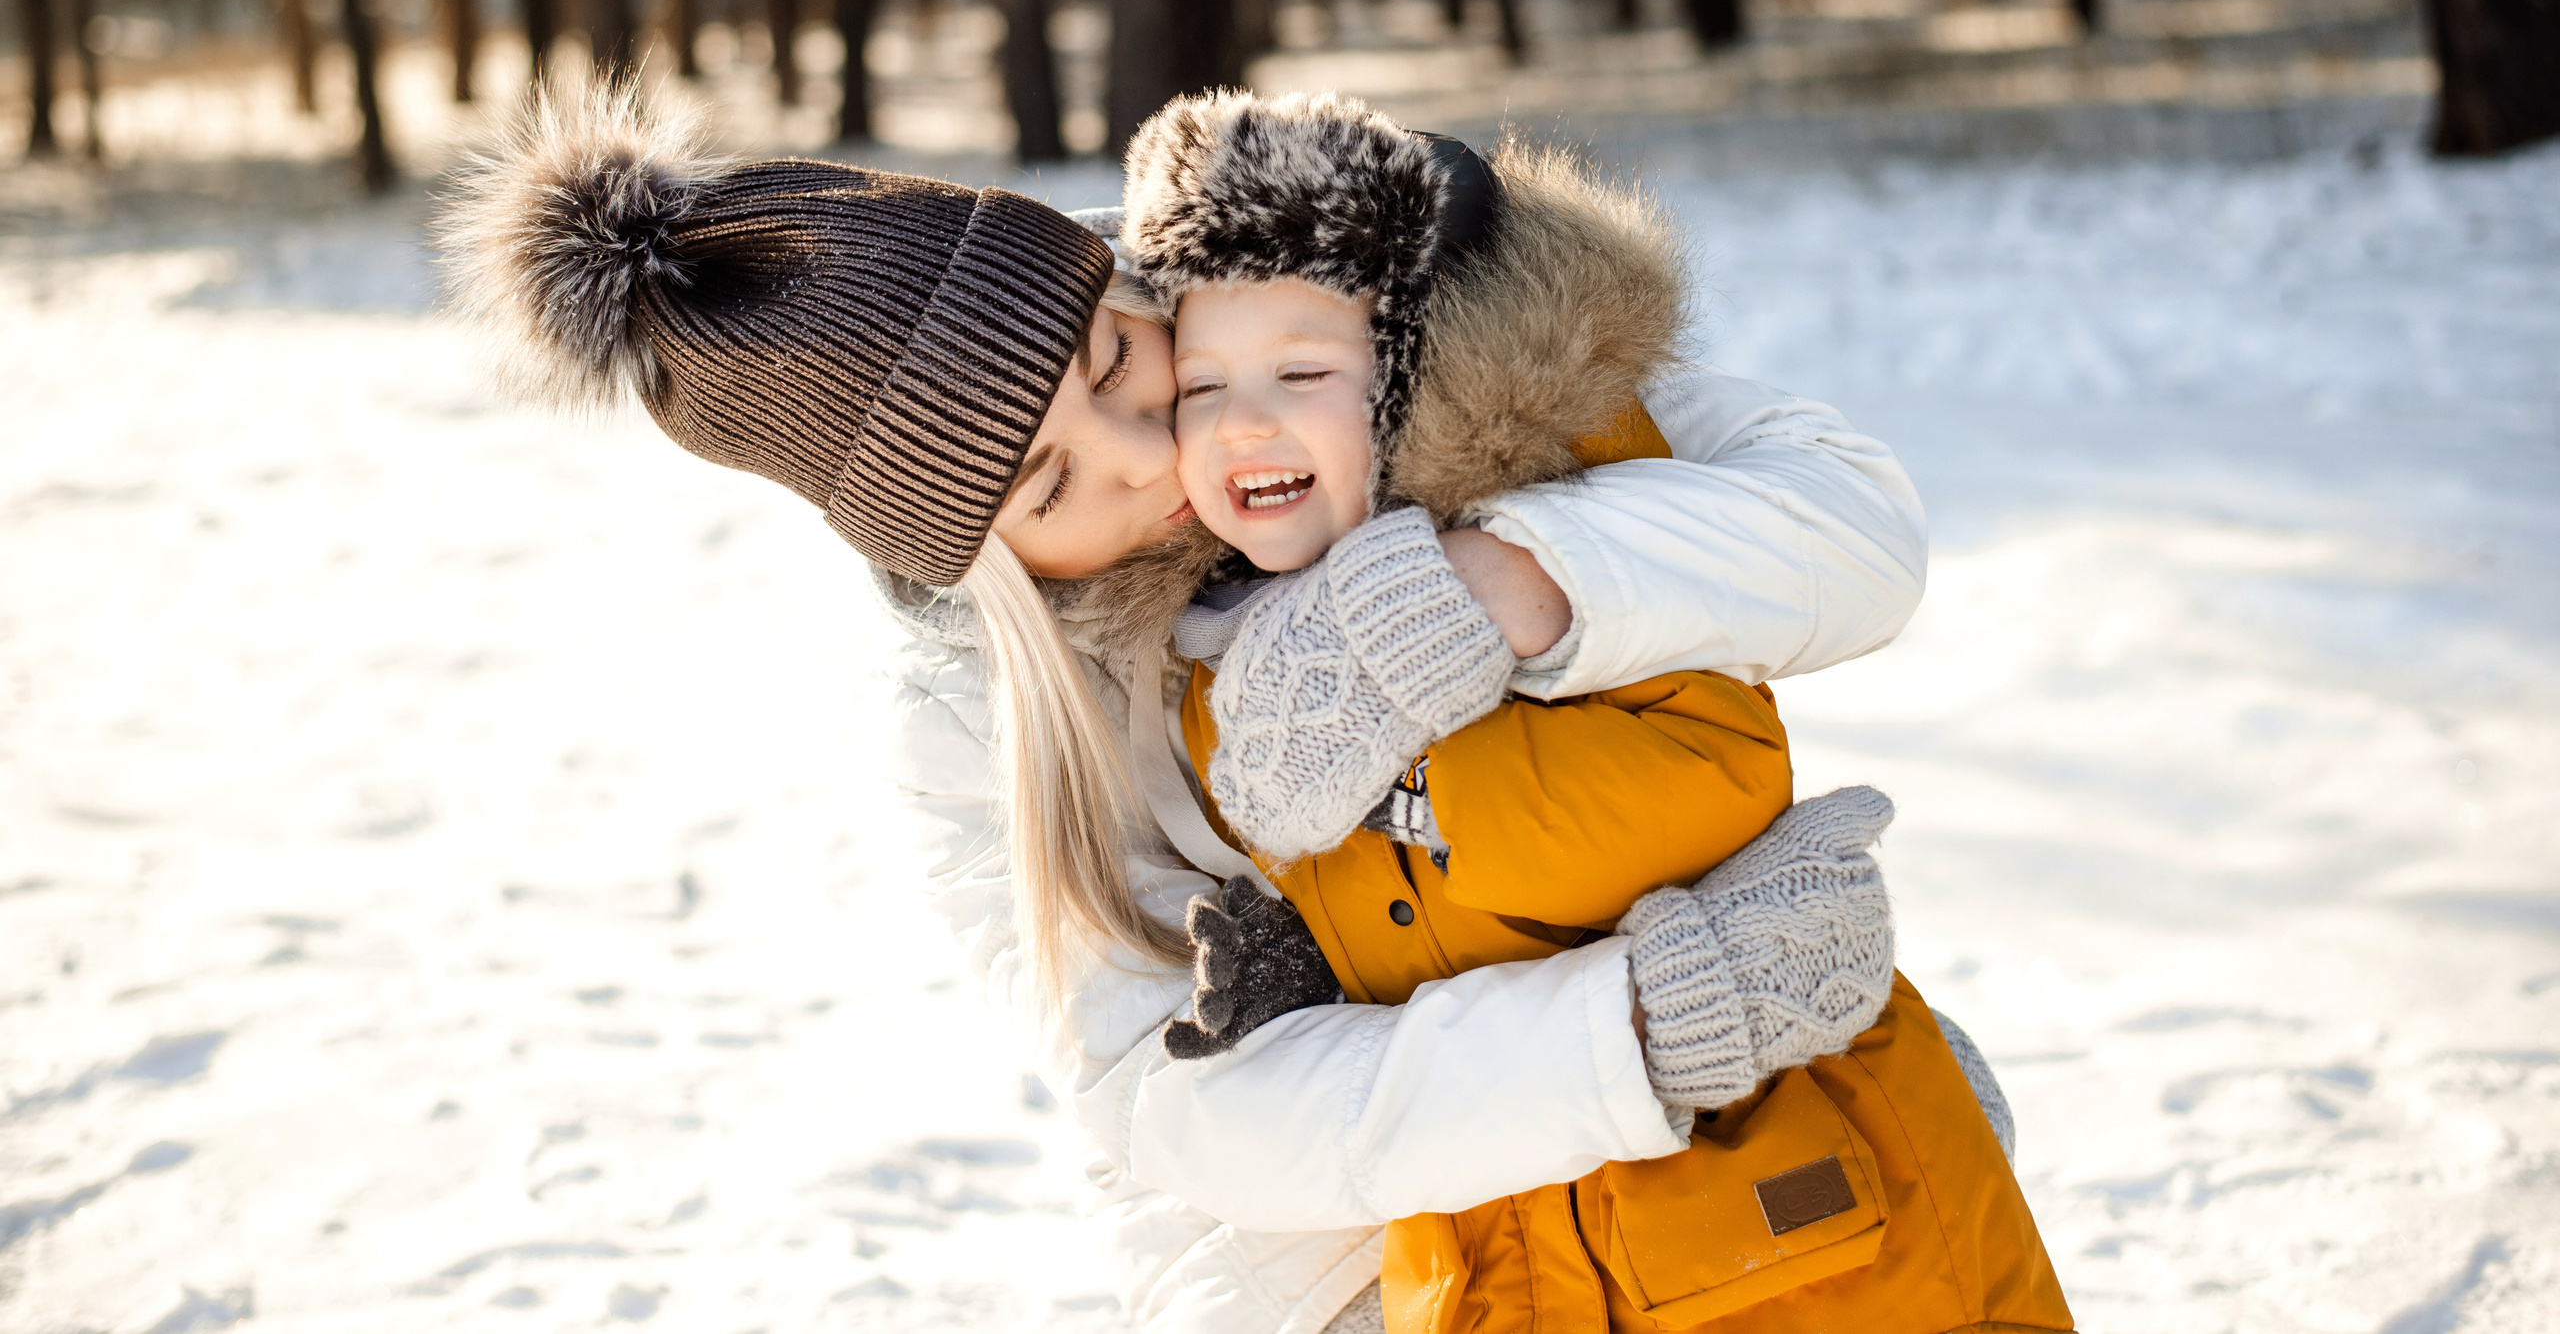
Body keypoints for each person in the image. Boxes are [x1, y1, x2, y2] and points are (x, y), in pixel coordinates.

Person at [439, 83, 1941, 1334]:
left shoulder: (1342, 347)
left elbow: (1854, 531)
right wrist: (1649, 1028)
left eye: (1109, 358)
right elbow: (1186, 1106)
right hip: (1343, 1288)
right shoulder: (991, 726)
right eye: (1049, 486)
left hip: (1747, 1205)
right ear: (983, 564)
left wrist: (1503, 581)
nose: (1148, 452)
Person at [1118, 89, 2072, 1333]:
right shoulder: (1218, 635)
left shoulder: (1565, 504)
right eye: (1203, 386)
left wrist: (1419, 784)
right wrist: (1308, 963)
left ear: (1411, 381)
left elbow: (1707, 776)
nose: (1247, 419)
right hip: (1508, 1236)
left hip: (1789, 1222)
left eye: (1304, 372)